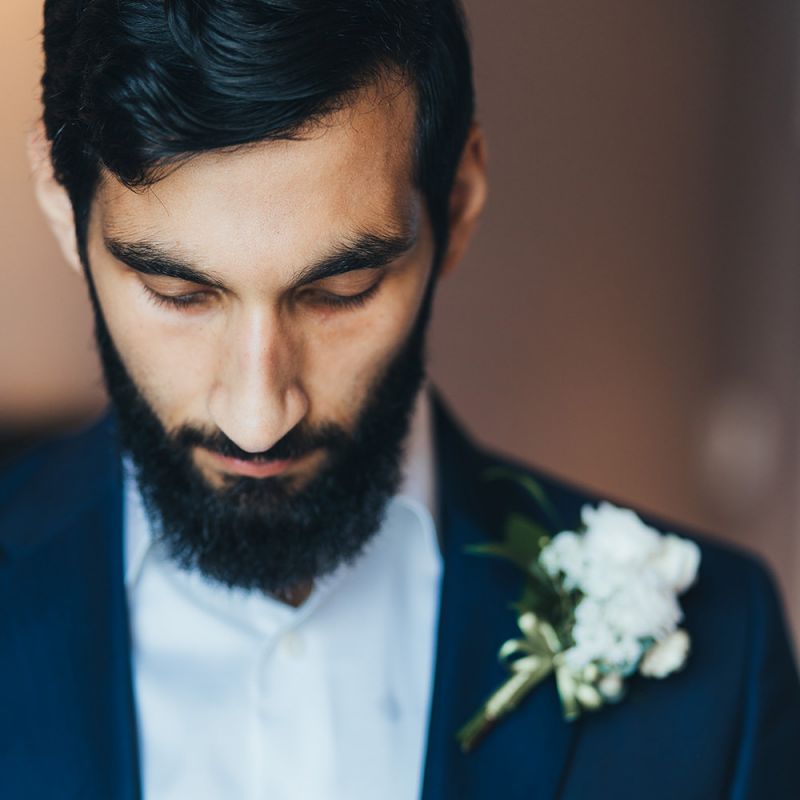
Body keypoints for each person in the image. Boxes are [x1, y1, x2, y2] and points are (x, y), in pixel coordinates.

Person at [2, 1, 798, 797]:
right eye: (176, 292)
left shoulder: (720, 659)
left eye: (342, 291)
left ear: (457, 203)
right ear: (59, 200)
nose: (258, 415)